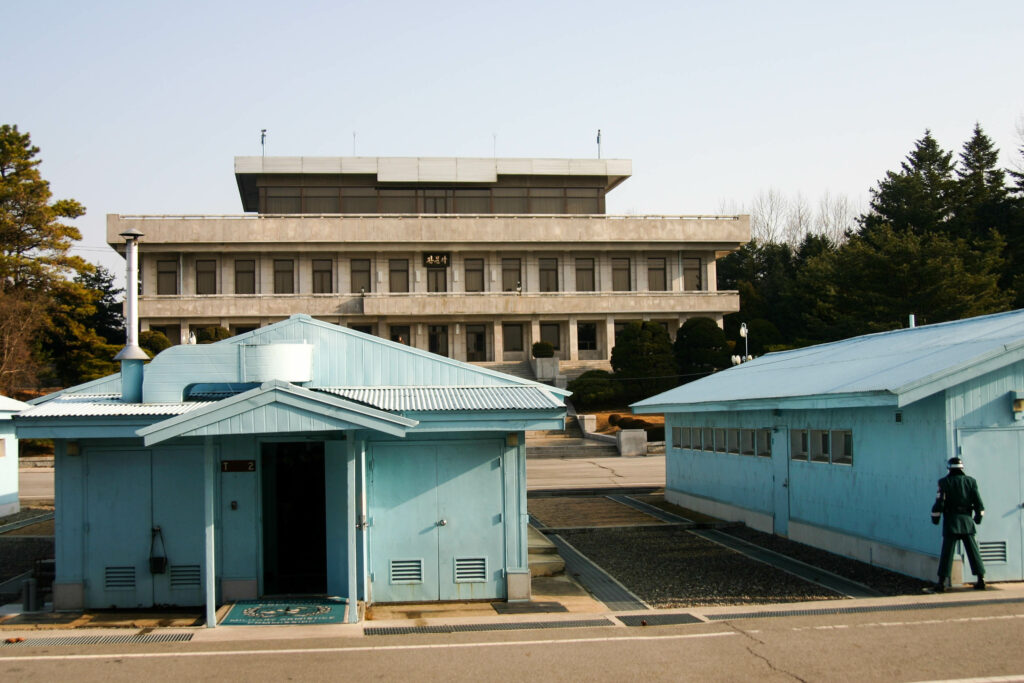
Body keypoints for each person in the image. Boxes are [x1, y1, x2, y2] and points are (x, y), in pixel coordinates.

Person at [931, 457, 985, 592]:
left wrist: (935, 518)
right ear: (962, 468)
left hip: (951, 521)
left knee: (947, 553)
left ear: (949, 468)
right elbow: (978, 503)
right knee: (973, 552)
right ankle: (980, 579)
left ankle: (941, 583)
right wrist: (978, 518)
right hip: (967, 521)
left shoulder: (943, 482)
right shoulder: (971, 482)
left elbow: (940, 503)